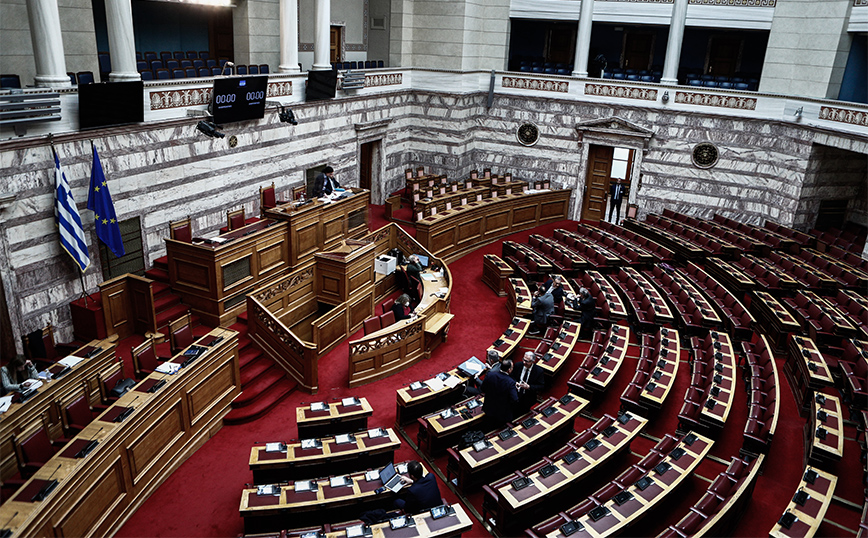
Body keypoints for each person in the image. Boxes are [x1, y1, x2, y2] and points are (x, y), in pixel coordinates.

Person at [481, 358, 518, 431]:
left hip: (489, 408)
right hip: (502, 413)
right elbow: (515, 399)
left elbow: (483, 388)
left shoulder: (490, 375)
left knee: (488, 427)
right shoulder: (511, 382)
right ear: (509, 370)